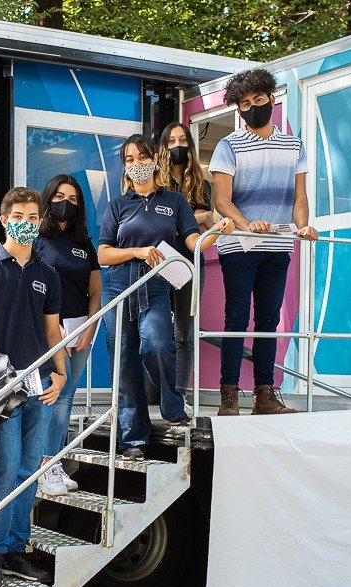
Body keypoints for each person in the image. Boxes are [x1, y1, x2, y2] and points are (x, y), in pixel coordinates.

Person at [97, 134, 232, 459]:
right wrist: (138, 251)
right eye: (130, 160)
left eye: (142, 157)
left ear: (154, 161)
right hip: (118, 288)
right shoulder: (117, 206)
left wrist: (218, 229)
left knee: (157, 343)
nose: (137, 164)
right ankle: (133, 442)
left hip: (155, 285)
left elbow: (193, 244)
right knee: (125, 363)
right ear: (125, 168)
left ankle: (172, 404)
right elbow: (102, 254)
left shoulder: (174, 202)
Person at [0, 186, 66, 585]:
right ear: (4, 220)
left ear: (40, 223)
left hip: (40, 384)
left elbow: (52, 329)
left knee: (29, 469)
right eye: (18, 217)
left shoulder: (47, 274)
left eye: (32, 217)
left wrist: (59, 374)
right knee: (5, 468)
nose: (26, 223)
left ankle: (15, 549)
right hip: (3, 386)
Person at [210, 67, 319, 416]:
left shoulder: (294, 145)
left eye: (259, 99)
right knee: (237, 317)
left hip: (278, 245)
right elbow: (221, 200)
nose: (253, 106)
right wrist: (246, 223)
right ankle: (229, 395)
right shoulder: (228, 146)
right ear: (238, 109)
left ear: (272, 100)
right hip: (239, 245)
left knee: (270, 320)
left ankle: (264, 395)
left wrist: (302, 227)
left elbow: (299, 197)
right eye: (245, 103)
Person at [33, 174, 101, 496]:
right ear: (48, 198)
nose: (66, 203)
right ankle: (47, 465)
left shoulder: (84, 244)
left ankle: (52, 462)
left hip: (80, 330)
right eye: (60, 196)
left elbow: (95, 291)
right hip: (50, 331)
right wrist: (52, 325)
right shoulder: (36, 239)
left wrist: (89, 326)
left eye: (73, 199)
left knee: (67, 396)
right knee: (55, 396)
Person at [158, 122, 215, 391]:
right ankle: (156, 392)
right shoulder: (156, 184)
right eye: (171, 142)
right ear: (163, 147)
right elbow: (161, 224)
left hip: (191, 263)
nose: (177, 146)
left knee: (184, 332)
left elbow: (207, 224)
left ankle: (178, 393)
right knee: (156, 331)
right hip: (159, 261)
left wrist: (202, 218)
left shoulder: (202, 185)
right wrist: (197, 216)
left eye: (182, 141)